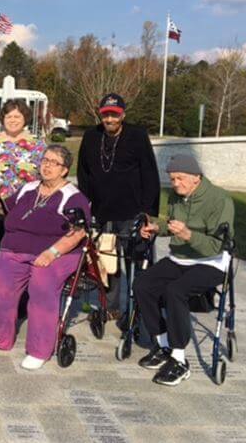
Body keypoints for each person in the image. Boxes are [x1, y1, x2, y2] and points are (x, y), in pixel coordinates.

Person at [0, 145, 90, 370]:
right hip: (16, 250)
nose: (47, 165)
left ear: (65, 170)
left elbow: (78, 233)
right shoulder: (28, 188)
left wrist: (51, 252)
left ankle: (40, 349)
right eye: (45, 160)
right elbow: (6, 209)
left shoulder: (73, 197)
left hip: (58, 253)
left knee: (42, 283)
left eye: (54, 162)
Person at [134, 154, 234, 386]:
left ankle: (180, 360)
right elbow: (171, 225)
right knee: (142, 285)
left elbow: (217, 245)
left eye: (180, 178)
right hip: (180, 258)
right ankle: (164, 344)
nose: (175, 183)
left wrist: (187, 234)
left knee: (175, 291)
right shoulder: (176, 197)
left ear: (196, 178)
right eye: (172, 178)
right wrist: (156, 227)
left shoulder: (219, 200)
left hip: (212, 261)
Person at [76, 93, 160, 323]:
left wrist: (148, 212)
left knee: (139, 263)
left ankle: (141, 307)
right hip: (103, 212)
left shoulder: (137, 135)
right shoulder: (91, 136)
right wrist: (85, 205)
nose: (110, 120)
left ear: (123, 114)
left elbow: (150, 174)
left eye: (114, 115)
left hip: (133, 211)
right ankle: (111, 306)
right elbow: (83, 173)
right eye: (106, 115)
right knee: (107, 263)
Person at [0, 99, 46, 267]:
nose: (13, 120)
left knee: (22, 260)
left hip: (26, 211)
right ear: (3, 119)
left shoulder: (37, 144)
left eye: (17, 116)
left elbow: (47, 177)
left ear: (25, 118)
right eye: (9, 116)